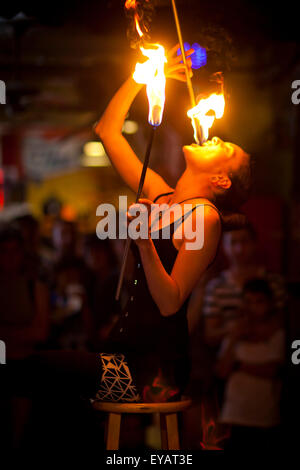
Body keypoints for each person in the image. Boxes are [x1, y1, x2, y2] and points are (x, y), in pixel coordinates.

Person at [5, 46, 251, 408]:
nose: (214, 137)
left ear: (221, 180)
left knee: (35, 370)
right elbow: (107, 131)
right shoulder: (164, 195)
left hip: (152, 372)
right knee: (48, 397)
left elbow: (169, 303)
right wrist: (147, 74)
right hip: (120, 354)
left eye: (225, 147)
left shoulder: (205, 217)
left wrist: (145, 242)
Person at [216, 279, 285, 451]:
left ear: (270, 303)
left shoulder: (279, 334)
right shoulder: (235, 332)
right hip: (234, 415)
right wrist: (233, 339)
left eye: (258, 301)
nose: (253, 307)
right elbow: (221, 371)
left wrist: (239, 366)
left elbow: (273, 371)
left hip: (265, 417)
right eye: (248, 301)